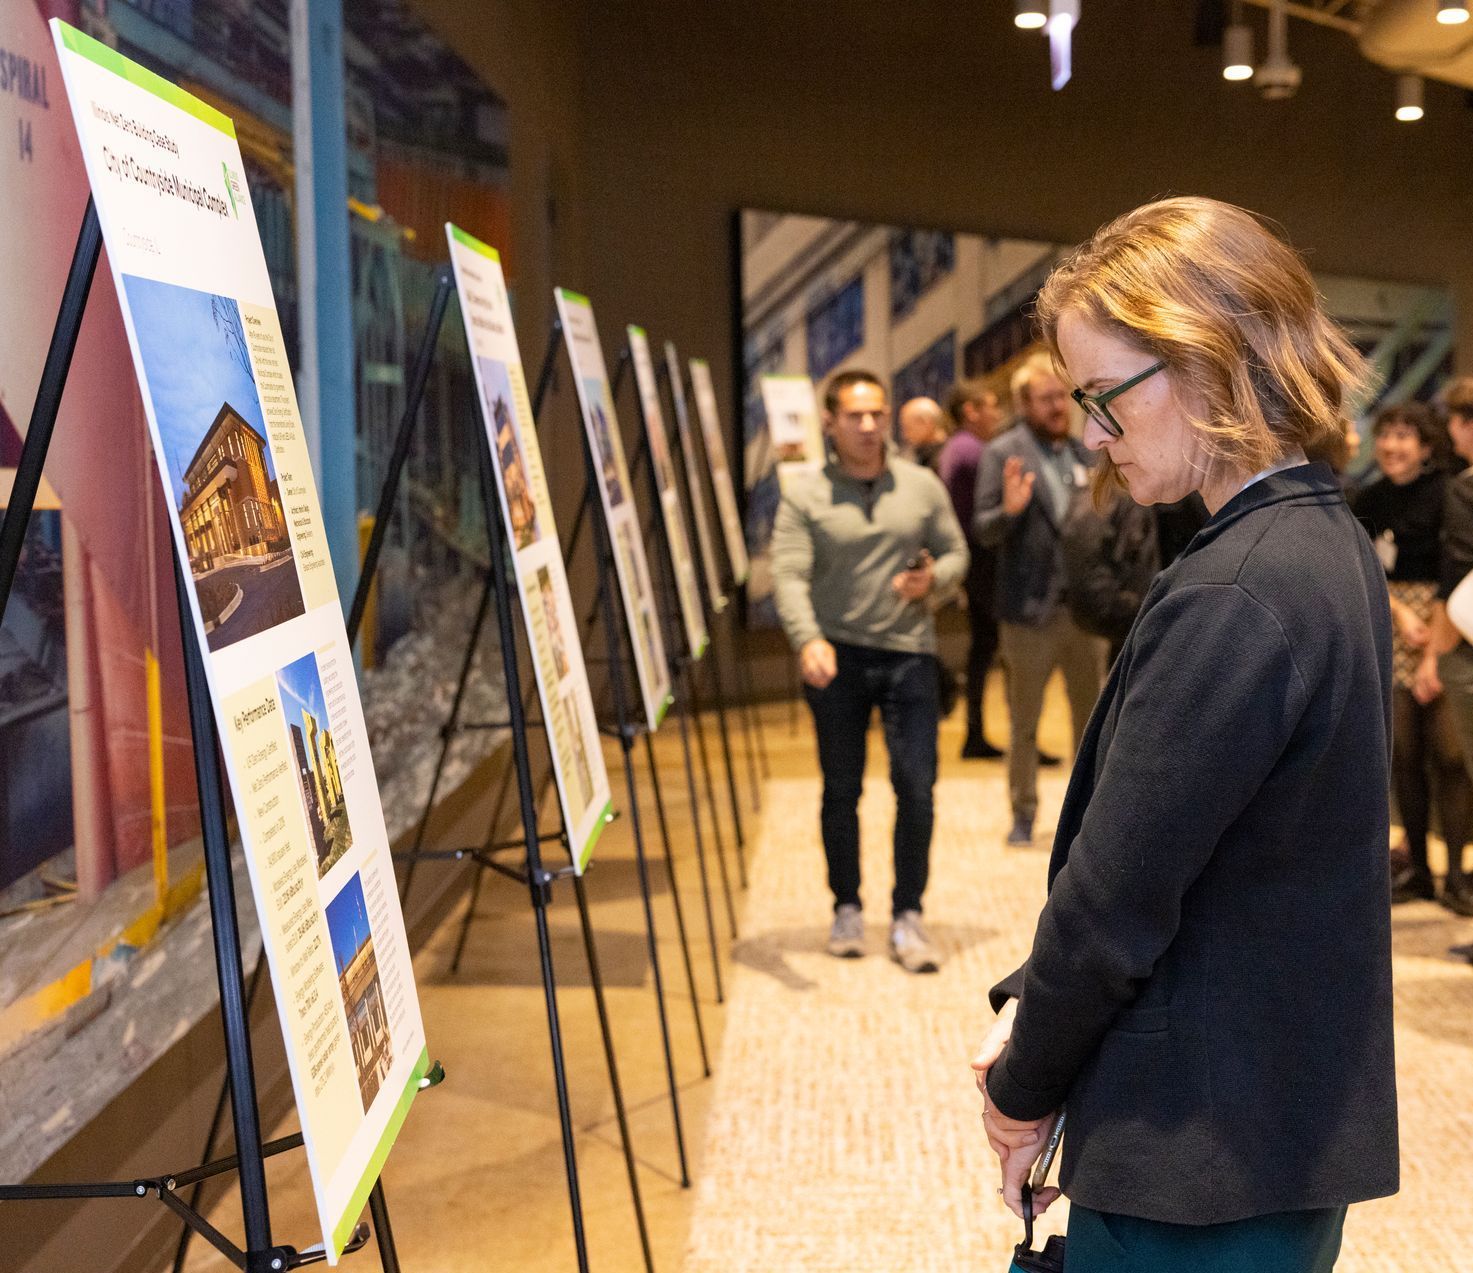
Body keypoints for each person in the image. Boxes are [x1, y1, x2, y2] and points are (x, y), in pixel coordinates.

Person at [970, 197, 1397, 1271]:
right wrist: (1032, 1011)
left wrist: (1024, 1090)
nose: (1094, 433)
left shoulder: (1237, 590)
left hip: (1199, 1150)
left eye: (1106, 396)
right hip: (1268, 1121)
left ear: (1211, 363)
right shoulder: (1321, 536)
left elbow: (1115, 901)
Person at [770, 369, 968, 973]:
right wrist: (807, 640)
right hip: (838, 657)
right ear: (829, 422)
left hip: (910, 654)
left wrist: (932, 579)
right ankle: (847, 906)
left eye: (876, 413)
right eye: (854, 415)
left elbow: (957, 552)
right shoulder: (805, 494)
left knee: (916, 786)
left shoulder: (922, 486)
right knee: (841, 788)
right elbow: (789, 574)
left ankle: (908, 913)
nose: (867, 425)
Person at [973, 356, 1106, 845]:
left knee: (1090, 722)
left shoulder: (1087, 452)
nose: (1059, 407)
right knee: (1024, 722)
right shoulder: (1002, 454)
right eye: (1047, 398)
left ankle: (1087, 816)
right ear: (1024, 404)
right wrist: (1007, 512)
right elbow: (983, 530)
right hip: (1028, 613)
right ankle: (1023, 812)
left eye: (1063, 396)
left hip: (1084, 614)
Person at [1352, 403, 1473, 914]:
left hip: (1444, 624)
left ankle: (1458, 875)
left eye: (1404, 436)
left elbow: (1454, 568)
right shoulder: (1367, 497)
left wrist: (1432, 653)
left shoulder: (1449, 492)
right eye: (1385, 435)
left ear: (1426, 446)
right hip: (1393, 621)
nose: (1391, 446)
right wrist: (1398, 612)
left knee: (1449, 756)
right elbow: (1361, 567)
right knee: (1402, 756)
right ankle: (1419, 870)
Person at [938, 379, 1007, 758]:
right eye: (991, 406)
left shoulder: (958, 448)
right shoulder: (973, 450)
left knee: (983, 647)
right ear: (971, 412)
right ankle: (977, 733)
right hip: (983, 561)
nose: (997, 414)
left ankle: (976, 732)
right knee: (991, 648)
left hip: (974, 562)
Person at [897, 395, 949, 470]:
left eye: (908, 428)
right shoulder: (922, 451)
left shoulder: (946, 456)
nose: (905, 435)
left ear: (925, 423)